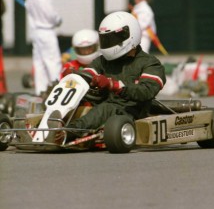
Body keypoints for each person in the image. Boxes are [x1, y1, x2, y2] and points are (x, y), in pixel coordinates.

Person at [48, 11, 166, 142]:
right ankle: (46, 122)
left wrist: (114, 85)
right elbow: (89, 73)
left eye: (112, 39)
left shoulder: (150, 63)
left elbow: (146, 91)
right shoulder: (104, 60)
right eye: (106, 40)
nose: (109, 43)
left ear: (129, 35)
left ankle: (68, 132)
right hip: (104, 103)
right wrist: (73, 75)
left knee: (106, 108)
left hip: (132, 110)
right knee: (75, 95)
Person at [25, 0, 62, 96]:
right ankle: (57, 91)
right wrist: (59, 20)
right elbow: (51, 16)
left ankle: (41, 90)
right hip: (47, 32)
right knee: (53, 62)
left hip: (36, 32)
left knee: (39, 63)